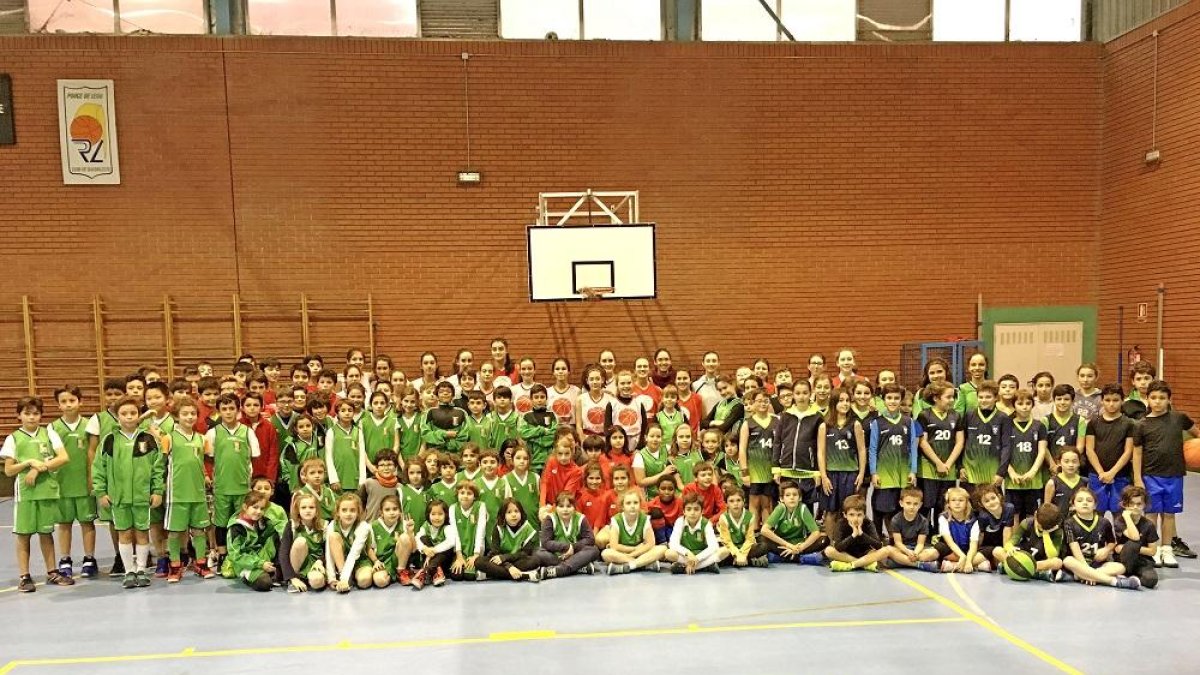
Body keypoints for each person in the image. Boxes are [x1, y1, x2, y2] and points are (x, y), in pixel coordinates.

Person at [3, 396, 73, 592]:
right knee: (23, 534)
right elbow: (9, 470)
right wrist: (28, 463)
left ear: (41, 415)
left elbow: (63, 457)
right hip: (26, 494)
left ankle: (52, 572)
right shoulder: (13, 438)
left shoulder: (49, 433)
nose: (32, 417)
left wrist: (38, 468)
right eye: (27, 413)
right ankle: (24, 576)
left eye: (36, 413)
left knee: (46, 533)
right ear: (19, 415)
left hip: (46, 491)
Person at [93, 395, 164, 589]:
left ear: (139, 415)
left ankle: (141, 569)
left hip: (142, 497)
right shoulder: (109, 440)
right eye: (124, 413)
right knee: (123, 533)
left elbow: (158, 468)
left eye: (133, 413)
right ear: (117, 416)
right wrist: (101, 492)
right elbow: (99, 468)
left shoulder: (148, 439)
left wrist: (157, 491)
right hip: (119, 498)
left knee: (142, 533)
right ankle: (129, 570)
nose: (129, 416)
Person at [1132, 380, 1199, 567]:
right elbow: (1137, 453)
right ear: (1147, 399)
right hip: (1150, 475)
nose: (1157, 401)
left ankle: (1167, 549)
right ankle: (1153, 549)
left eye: (1162, 398)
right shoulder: (1141, 425)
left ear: (1170, 399)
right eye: (1153, 397)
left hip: (1174, 475)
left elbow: (1196, 433)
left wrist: (1195, 450)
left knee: (1169, 514)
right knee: (1152, 514)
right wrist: (1137, 478)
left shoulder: (1179, 418)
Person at [159, 397, 215, 582]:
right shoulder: (168, 438)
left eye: (192, 413)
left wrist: (206, 476)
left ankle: (201, 563)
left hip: (197, 493)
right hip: (177, 494)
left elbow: (204, 463)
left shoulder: (202, 439)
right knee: (175, 532)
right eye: (185, 414)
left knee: (199, 530)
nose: (189, 417)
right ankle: (175, 565)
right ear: (176, 416)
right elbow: (160, 465)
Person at [206, 393, 260, 574]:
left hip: (242, 486)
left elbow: (255, 456)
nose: (228, 412)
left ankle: (241, 553)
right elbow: (208, 458)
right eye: (224, 409)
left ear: (238, 410)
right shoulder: (213, 433)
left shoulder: (248, 432)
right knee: (221, 523)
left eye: (232, 408)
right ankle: (223, 555)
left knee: (242, 522)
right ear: (218, 411)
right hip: (222, 487)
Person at [51, 385, 98, 579]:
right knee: (64, 524)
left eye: (72, 400)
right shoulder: (53, 428)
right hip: (62, 484)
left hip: (84, 483)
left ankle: (89, 558)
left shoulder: (89, 425)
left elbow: (93, 453)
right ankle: (65, 559)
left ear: (80, 402)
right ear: (58, 405)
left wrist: (93, 479)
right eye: (64, 401)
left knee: (87, 522)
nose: (68, 404)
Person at [1062, 487, 1140, 589]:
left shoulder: (1104, 522)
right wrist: (1085, 568)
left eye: (1089, 500)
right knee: (1067, 561)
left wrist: (1106, 550)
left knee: (1121, 567)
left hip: (1098, 564)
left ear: (1095, 505)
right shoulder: (1069, 523)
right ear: (1073, 505)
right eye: (1080, 500)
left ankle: (1079, 576)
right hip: (1079, 562)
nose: (1085, 503)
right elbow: (1074, 547)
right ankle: (1114, 581)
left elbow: (1112, 542)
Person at [870, 383, 919, 535]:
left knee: (900, 509)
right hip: (884, 474)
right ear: (883, 400)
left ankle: (898, 539)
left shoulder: (908, 422)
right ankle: (878, 538)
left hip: (903, 474)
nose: (892, 401)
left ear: (901, 400)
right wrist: (874, 472)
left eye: (896, 398)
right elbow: (873, 449)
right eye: (889, 398)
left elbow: (913, 447)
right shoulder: (877, 422)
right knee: (881, 508)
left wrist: (913, 471)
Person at [915, 382, 962, 532]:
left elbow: (960, 442)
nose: (952, 400)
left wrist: (948, 463)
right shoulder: (924, 415)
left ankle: (940, 534)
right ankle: (922, 534)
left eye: (953, 397)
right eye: (948, 397)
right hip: (928, 469)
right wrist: (938, 463)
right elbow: (923, 442)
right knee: (926, 505)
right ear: (936, 398)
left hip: (949, 468)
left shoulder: (956, 415)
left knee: (943, 505)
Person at [1084, 384, 1135, 517]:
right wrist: (1101, 472)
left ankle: (1120, 533)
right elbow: (1089, 449)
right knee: (1096, 513)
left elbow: (1128, 451)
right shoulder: (1093, 423)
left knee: (1120, 513)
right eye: (1107, 400)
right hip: (1097, 475)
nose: (1111, 404)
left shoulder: (1129, 424)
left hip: (1120, 476)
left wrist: (1112, 472)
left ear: (1122, 400)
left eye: (1115, 400)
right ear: (1102, 401)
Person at [817, 389, 867, 519]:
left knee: (850, 511)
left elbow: (862, 450)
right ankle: (831, 534)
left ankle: (850, 533)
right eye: (841, 401)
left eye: (847, 401)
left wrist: (861, 474)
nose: (845, 404)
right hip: (831, 474)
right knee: (830, 511)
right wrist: (824, 476)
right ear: (833, 403)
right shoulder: (824, 426)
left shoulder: (855, 424)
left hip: (850, 474)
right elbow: (821, 452)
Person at [475, 498, 549, 582]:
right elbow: (495, 553)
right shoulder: (498, 527)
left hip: (517, 560)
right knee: (479, 561)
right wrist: (509, 567)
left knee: (535, 561)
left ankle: (490, 574)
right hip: (502, 562)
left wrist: (505, 558)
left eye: (516, 511)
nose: (513, 515)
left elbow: (525, 553)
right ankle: (524, 575)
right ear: (503, 515)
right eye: (509, 512)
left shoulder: (527, 528)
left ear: (521, 513)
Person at [1005, 389, 1049, 523]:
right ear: (1014, 405)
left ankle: (1032, 536)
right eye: (1020, 403)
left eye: (1028, 403)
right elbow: (1003, 452)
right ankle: (1014, 537)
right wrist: (1011, 472)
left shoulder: (1039, 425)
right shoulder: (1007, 425)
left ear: (1032, 405)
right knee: (1014, 515)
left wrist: (1033, 472)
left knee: (1033, 515)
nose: (1024, 407)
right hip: (1013, 481)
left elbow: (1042, 451)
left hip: (1034, 480)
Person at [960, 381, 1012, 491]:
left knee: (992, 501)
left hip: (992, 475)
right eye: (980, 397)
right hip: (970, 473)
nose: (983, 400)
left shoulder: (1003, 418)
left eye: (988, 397)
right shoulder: (969, 415)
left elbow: (1006, 446)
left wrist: (1001, 472)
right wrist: (960, 467)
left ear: (996, 398)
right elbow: (961, 442)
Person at [758, 480, 825, 565]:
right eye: (788, 495)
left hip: (799, 544)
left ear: (800, 498)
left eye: (795, 495)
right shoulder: (780, 508)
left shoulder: (803, 508)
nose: (792, 498)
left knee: (824, 540)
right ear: (781, 499)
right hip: (782, 544)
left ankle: (781, 558)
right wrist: (788, 545)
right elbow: (764, 530)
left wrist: (800, 548)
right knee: (761, 538)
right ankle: (801, 558)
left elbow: (816, 532)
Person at [601, 489, 667, 575]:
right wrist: (634, 549)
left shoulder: (645, 519)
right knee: (606, 553)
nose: (632, 506)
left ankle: (628, 566)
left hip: (641, 553)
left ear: (640, 505)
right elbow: (614, 546)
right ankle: (643, 564)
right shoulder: (616, 520)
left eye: (635, 503)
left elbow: (650, 544)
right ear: (622, 506)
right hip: (623, 553)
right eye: (628, 503)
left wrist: (633, 554)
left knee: (662, 549)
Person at [225, 492, 280, 592]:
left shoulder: (262, 521)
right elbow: (235, 555)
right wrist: (260, 564)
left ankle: (276, 569)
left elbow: (275, 532)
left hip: (261, 556)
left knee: (278, 536)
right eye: (255, 507)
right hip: (246, 562)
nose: (258, 511)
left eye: (262, 508)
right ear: (245, 507)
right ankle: (246, 576)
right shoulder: (236, 528)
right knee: (264, 583)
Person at [540, 491, 601, 578]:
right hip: (557, 555)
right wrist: (567, 547)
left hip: (575, 554)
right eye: (561, 506)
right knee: (538, 553)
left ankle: (559, 570)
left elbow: (590, 539)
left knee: (594, 550)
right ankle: (578, 567)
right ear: (556, 507)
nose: (565, 509)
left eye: (569, 506)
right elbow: (546, 542)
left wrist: (573, 547)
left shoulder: (581, 518)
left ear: (574, 507)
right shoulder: (550, 519)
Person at [823, 495, 892, 572]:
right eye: (851, 515)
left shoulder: (868, 524)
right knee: (829, 550)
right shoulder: (841, 524)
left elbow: (878, 545)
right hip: (846, 555)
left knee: (885, 551)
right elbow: (838, 547)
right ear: (845, 515)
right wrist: (853, 535)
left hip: (865, 554)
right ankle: (864, 564)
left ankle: (851, 565)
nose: (855, 518)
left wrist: (862, 534)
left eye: (859, 515)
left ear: (864, 515)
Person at [664, 493, 725, 574]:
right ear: (684, 511)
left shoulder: (706, 523)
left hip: (702, 556)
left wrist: (697, 558)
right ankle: (705, 566)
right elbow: (673, 543)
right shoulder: (680, 521)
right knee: (669, 553)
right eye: (689, 509)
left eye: (696, 509)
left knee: (725, 551)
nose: (692, 513)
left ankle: (687, 567)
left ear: (702, 511)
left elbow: (713, 546)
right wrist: (688, 554)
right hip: (686, 556)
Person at [279, 492, 328, 593]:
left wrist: (320, 561)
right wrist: (291, 577)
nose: (307, 510)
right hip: (297, 564)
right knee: (300, 541)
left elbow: (328, 550)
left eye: (311, 507)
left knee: (317, 582)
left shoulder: (324, 525)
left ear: (317, 510)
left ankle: (313, 579)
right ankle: (295, 580)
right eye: (303, 507)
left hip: (315, 564)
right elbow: (283, 553)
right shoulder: (292, 525)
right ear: (298, 510)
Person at [324, 492, 372, 593]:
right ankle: (346, 577)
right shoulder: (332, 525)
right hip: (341, 563)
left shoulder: (363, 526)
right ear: (338, 512)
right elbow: (329, 553)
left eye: (352, 510)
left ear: (358, 512)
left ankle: (349, 577)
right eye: (344, 510)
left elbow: (354, 554)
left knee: (364, 581)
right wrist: (331, 578)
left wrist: (343, 579)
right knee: (333, 536)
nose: (348, 514)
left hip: (360, 561)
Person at [1005, 503, 1065, 582]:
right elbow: (1011, 541)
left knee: (1058, 562)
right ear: (1035, 514)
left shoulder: (1058, 532)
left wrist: (1045, 534)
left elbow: (1052, 555)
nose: (1040, 528)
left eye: (1045, 527)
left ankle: (1017, 570)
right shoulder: (1027, 523)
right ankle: (1037, 574)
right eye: (1040, 525)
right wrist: (1009, 548)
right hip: (1021, 558)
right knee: (997, 551)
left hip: (1039, 562)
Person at [1114, 485, 1159, 589]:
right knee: (1133, 543)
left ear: (1144, 505)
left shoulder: (1149, 525)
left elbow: (1152, 551)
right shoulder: (1120, 521)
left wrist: (1126, 548)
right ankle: (1126, 573)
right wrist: (1127, 517)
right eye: (1131, 503)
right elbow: (1134, 537)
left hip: (1142, 561)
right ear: (1125, 504)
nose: (1135, 507)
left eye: (1139, 504)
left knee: (1151, 580)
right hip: (1124, 560)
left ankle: (1132, 576)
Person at [933, 487, 986, 573]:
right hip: (953, 551)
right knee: (939, 547)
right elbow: (949, 541)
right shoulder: (943, 518)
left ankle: (954, 565)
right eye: (953, 500)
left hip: (969, 551)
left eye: (961, 500)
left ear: (966, 503)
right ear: (948, 504)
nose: (957, 503)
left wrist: (968, 561)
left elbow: (973, 544)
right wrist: (962, 556)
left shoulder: (974, 520)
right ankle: (975, 564)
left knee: (986, 550)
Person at [887, 488, 940, 569]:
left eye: (915, 504)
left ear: (920, 505)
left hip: (917, 550)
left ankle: (903, 562)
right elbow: (898, 543)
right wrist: (908, 552)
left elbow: (920, 543)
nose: (912, 507)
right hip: (902, 549)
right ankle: (919, 564)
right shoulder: (895, 520)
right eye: (908, 503)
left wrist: (915, 554)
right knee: (888, 552)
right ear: (901, 503)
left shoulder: (923, 521)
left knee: (934, 553)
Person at [717, 487, 769, 567]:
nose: (735, 504)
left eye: (738, 500)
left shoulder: (750, 516)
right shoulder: (723, 518)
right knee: (720, 551)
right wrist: (737, 554)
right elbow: (727, 541)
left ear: (743, 501)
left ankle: (737, 561)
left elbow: (749, 539)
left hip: (745, 547)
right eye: (731, 501)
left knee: (764, 546)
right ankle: (750, 561)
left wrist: (743, 554)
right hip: (730, 548)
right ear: (726, 503)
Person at [365, 495, 410, 588]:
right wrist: (376, 561)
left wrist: (410, 533)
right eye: (387, 510)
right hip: (382, 561)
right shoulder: (373, 526)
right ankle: (392, 575)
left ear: (400, 511)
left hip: (398, 560)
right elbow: (369, 548)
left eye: (395, 509)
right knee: (380, 581)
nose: (392, 513)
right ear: (381, 512)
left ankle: (401, 571)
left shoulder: (404, 524)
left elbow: (413, 549)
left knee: (405, 537)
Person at [411, 498, 456, 590]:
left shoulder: (447, 527)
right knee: (423, 538)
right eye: (433, 514)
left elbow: (451, 542)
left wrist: (433, 551)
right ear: (428, 515)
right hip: (429, 559)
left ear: (446, 515)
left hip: (444, 561)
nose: (436, 517)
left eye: (440, 514)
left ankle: (424, 572)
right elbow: (417, 538)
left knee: (446, 548)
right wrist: (424, 549)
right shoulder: (426, 526)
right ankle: (436, 573)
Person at [1044, 384, 1086, 476]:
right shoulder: (1046, 420)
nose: (1062, 402)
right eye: (1059, 399)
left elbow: (1080, 447)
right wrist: (1053, 465)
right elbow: (1043, 447)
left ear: (1073, 401)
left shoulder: (1080, 420)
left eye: (1066, 399)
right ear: (1054, 400)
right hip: (1050, 469)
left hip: (1072, 468)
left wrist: (1069, 464)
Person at [450, 481, 487, 581]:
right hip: (460, 551)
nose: (465, 496)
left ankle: (480, 568)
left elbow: (481, 531)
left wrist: (476, 555)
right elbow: (454, 533)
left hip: (475, 550)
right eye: (462, 493)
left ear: (474, 496)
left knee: (469, 576)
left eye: (469, 493)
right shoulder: (453, 508)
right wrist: (459, 556)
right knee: (456, 575)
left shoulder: (480, 506)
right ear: (457, 495)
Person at [540, 432, 583, 515]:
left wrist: (551, 511)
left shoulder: (576, 471)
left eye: (567, 454)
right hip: (548, 505)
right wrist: (542, 506)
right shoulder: (551, 461)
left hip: (564, 507)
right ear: (556, 453)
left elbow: (566, 494)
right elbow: (544, 483)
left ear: (572, 453)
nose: (563, 457)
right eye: (560, 454)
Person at [519, 384, 558, 471]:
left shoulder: (552, 415)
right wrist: (542, 430)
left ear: (546, 398)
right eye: (536, 397)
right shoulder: (526, 416)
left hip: (549, 459)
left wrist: (533, 438)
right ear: (531, 399)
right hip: (533, 459)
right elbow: (523, 433)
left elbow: (554, 434)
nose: (539, 400)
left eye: (542, 397)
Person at [634, 423, 675, 499]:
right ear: (646, 437)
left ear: (662, 438)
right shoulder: (639, 456)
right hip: (651, 498)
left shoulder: (667, 449)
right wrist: (664, 473)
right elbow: (641, 482)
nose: (655, 439)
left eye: (658, 436)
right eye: (652, 436)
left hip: (669, 495)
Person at [358, 450, 400, 521]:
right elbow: (359, 506)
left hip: (391, 526)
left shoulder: (399, 487)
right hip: (371, 525)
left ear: (395, 467)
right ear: (377, 467)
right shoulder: (369, 483)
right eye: (382, 465)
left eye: (389, 464)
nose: (386, 468)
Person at [503, 445, 540, 523]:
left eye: (525, 458)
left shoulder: (535, 477)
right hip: (516, 522)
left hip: (534, 521)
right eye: (518, 458)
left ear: (529, 461)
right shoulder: (506, 479)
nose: (522, 461)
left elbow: (540, 499)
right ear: (512, 460)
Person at [1045, 448, 1086, 517]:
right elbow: (1046, 508)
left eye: (1074, 461)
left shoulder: (1085, 482)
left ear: (1079, 462)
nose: (1071, 465)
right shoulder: (1052, 483)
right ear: (1059, 463)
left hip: (1078, 521)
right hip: (1059, 522)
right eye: (1066, 461)